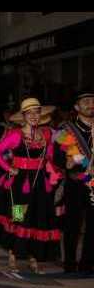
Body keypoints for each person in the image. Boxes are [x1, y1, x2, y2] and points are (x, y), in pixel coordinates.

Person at [0, 98, 62, 274]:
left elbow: (51, 156)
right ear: (23, 116)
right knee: (18, 216)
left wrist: (59, 163)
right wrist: (9, 168)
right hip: (19, 184)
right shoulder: (15, 134)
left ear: (41, 115)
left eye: (36, 113)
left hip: (39, 182)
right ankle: (13, 254)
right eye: (29, 113)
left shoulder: (46, 135)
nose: (33, 116)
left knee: (37, 217)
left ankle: (33, 257)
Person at [55, 90, 94, 274]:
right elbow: (58, 157)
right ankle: (69, 263)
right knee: (73, 225)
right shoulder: (66, 130)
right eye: (86, 101)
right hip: (77, 182)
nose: (90, 104)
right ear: (77, 107)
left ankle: (88, 263)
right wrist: (67, 161)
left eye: (93, 101)